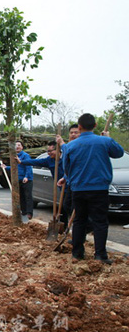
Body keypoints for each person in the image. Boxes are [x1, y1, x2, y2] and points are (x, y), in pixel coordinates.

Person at [63, 113, 124, 264]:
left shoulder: (70, 146)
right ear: (95, 126)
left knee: (79, 221)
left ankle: (77, 254)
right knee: (100, 222)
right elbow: (119, 153)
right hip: (99, 189)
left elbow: (66, 168)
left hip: (79, 189)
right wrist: (109, 137)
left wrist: (73, 181)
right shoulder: (105, 141)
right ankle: (100, 255)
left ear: (79, 127)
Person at [18, 140, 67, 227]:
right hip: (61, 187)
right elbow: (36, 162)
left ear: (58, 150)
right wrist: (22, 162)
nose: (48, 153)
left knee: (69, 206)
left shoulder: (65, 159)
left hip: (72, 185)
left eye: (50, 151)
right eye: (47, 151)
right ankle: (63, 227)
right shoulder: (49, 160)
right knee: (63, 207)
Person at [1, 141, 34, 220]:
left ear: (22, 147)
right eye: (15, 145)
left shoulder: (25, 156)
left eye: (19, 145)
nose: (17, 147)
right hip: (18, 179)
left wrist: (26, 176)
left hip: (26, 180)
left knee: (28, 196)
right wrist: (6, 167)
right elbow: (14, 167)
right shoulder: (14, 156)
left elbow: (28, 167)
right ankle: (24, 211)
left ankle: (29, 213)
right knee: (21, 196)